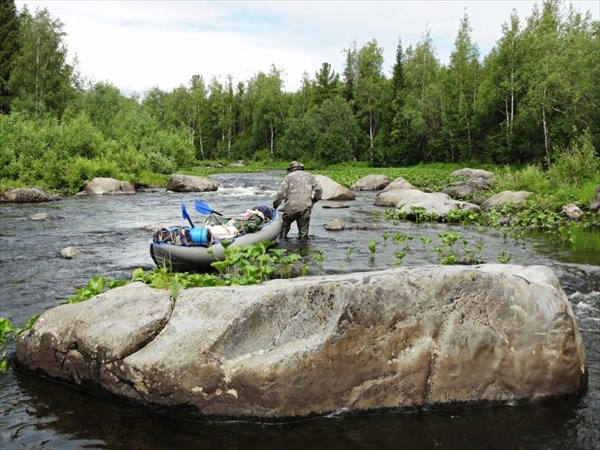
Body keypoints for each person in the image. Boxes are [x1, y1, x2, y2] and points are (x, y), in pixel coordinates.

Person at [272, 161, 322, 239]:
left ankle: (282, 244)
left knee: (284, 229)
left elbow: (281, 194)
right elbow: (319, 189)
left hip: (290, 208)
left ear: (291, 169)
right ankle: (303, 248)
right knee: (303, 234)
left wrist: (275, 205)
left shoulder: (287, 177)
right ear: (301, 168)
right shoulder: (310, 176)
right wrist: (314, 200)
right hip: (305, 207)